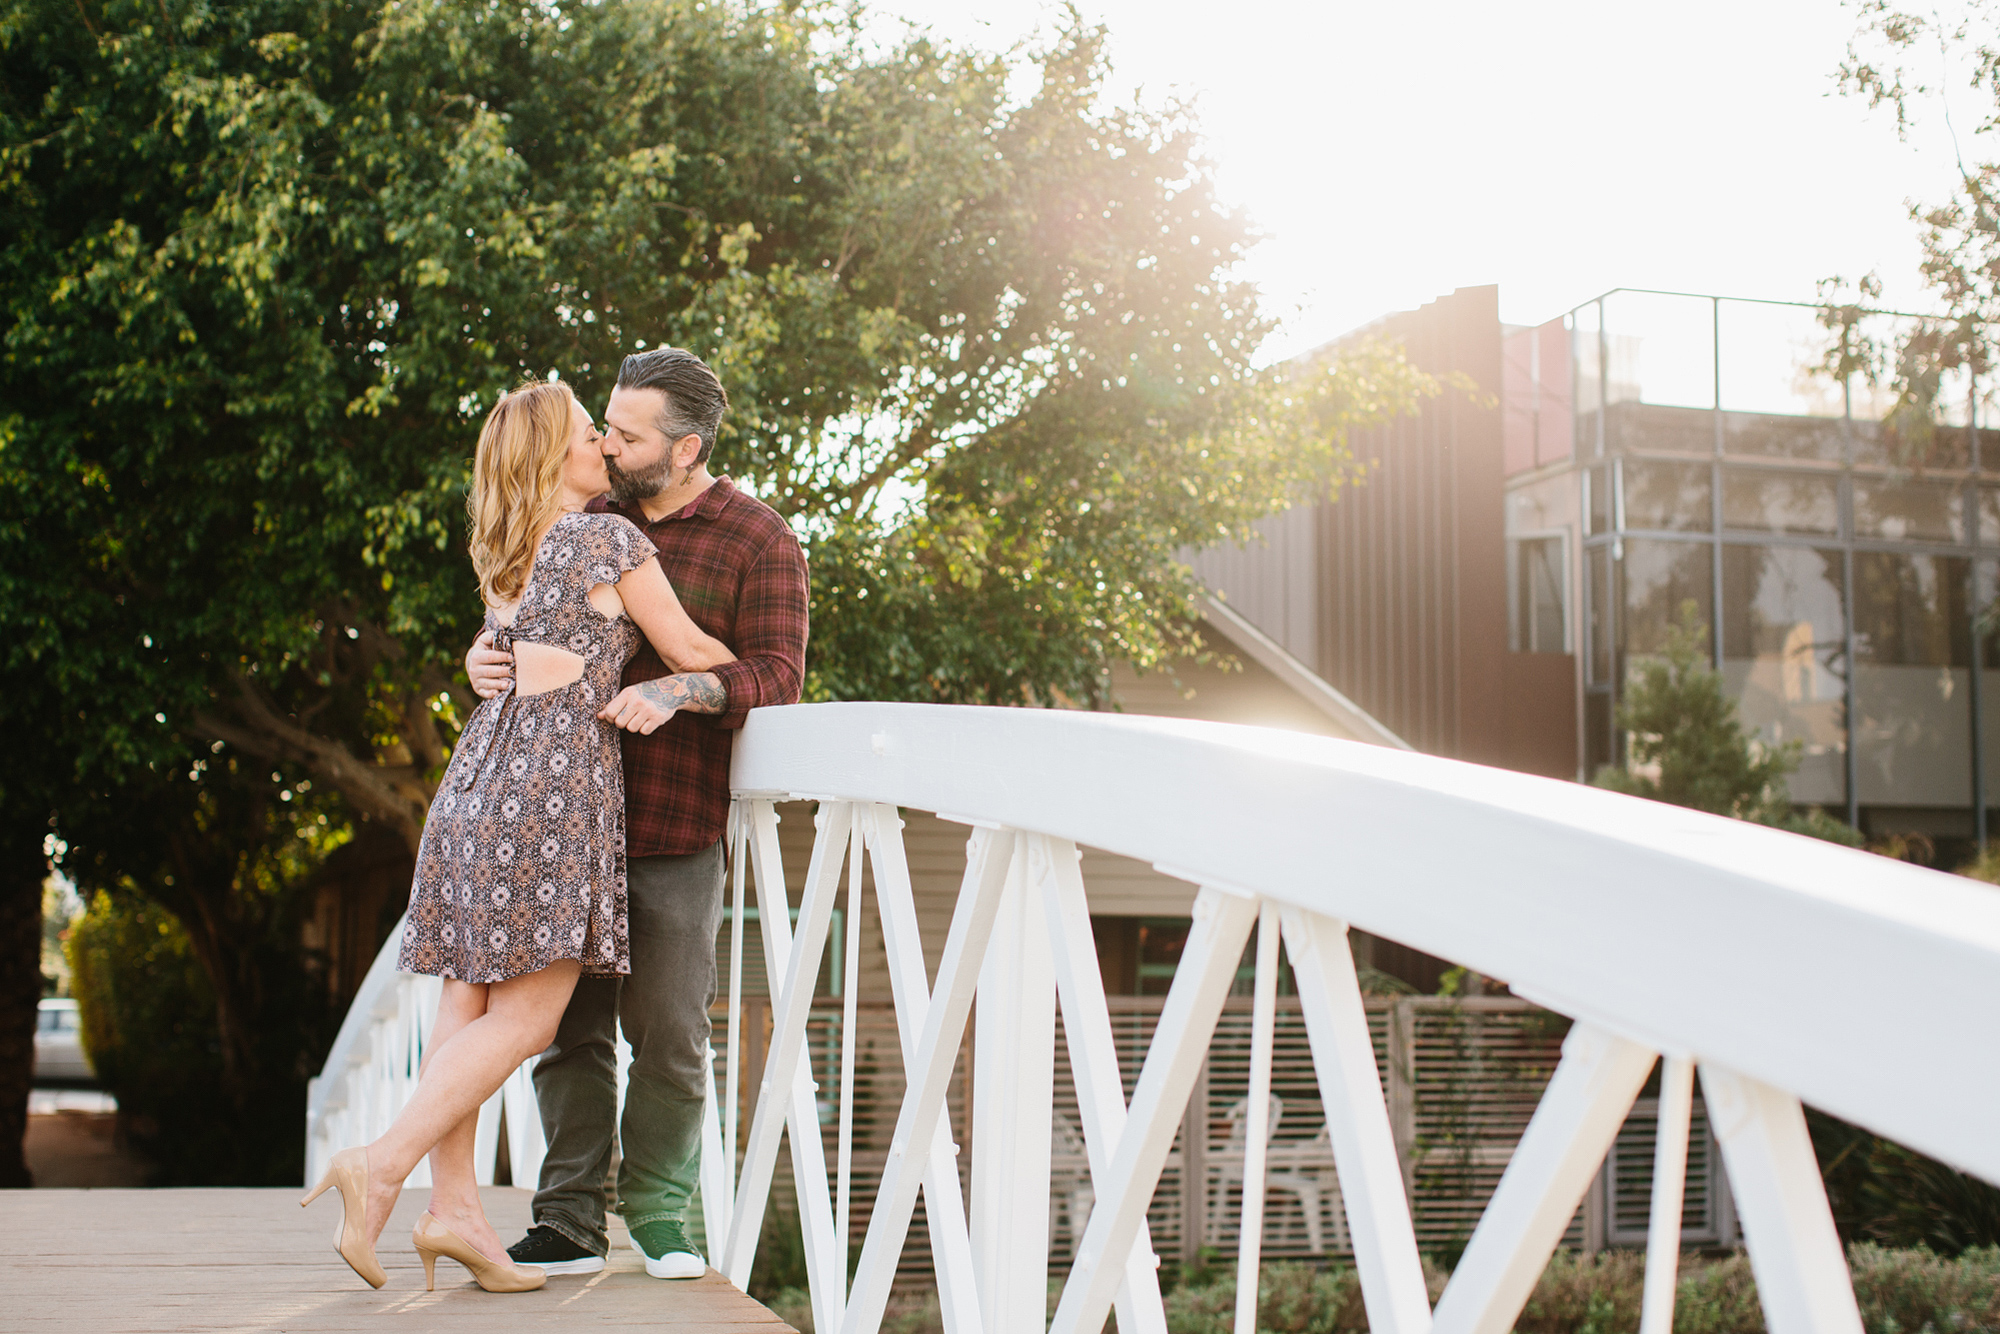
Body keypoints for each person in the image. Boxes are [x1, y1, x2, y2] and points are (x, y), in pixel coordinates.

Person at [302, 379, 737, 1293]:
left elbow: (517, 651)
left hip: (475, 784)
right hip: (551, 793)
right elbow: (696, 652)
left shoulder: (502, 549)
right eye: (592, 434)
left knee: (468, 1006)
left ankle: (453, 1213)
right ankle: (379, 1167)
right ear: (556, 455)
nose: (606, 448)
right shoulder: (607, 538)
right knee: (532, 1017)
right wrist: (749, 678)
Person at [465, 347, 808, 1280]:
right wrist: (480, 660)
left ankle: (659, 1210)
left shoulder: (758, 538)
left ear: (687, 447)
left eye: (627, 433)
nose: (608, 444)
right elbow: (519, 617)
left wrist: (686, 690)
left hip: (668, 816)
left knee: (667, 1026)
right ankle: (568, 1218)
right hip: (562, 821)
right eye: (604, 426)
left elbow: (778, 675)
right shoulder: (590, 515)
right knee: (564, 1027)